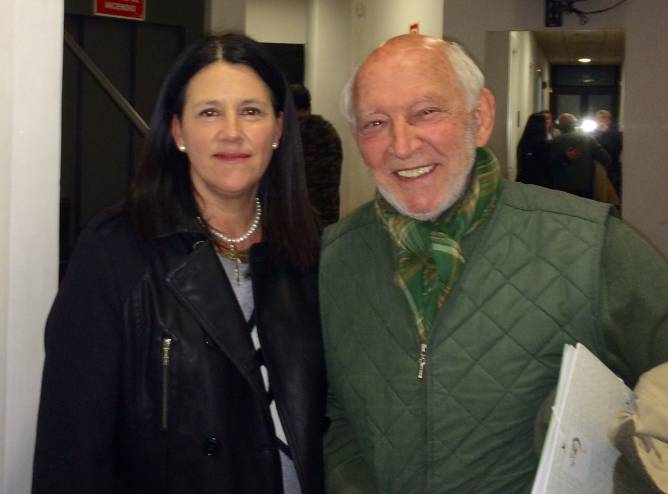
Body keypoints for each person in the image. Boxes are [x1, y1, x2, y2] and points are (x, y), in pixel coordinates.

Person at [319, 33, 668, 494]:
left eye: (426, 113)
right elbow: (340, 416)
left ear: (480, 117)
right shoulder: (336, 255)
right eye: (376, 123)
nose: (401, 144)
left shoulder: (592, 244)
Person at [32, 33, 325, 494]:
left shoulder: (313, 250)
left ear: (278, 129)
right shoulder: (114, 251)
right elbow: (72, 446)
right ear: (178, 132)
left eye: (251, 111)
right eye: (209, 113)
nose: (232, 132)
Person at [290, 83, 343, 229]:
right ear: (309, 105)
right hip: (328, 214)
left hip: (297, 217)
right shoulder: (328, 131)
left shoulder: (292, 136)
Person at [549, 112, 611, 199]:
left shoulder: (554, 142)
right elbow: (605, 158)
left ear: (559, 126)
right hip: (585, 186)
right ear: (575, 124)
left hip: (562, 187)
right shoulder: (588, 138)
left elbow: (550, 164)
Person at [516, 112, 552, 187]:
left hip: (523, 181)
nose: (548, 125)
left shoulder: (524, 141)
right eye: (545, 123)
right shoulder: (543, 144)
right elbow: (548, 165)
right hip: (539, 184)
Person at [594, 109, 623, 198]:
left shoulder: (617, 134)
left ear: (609, 121)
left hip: (612, 168)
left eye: (604, 118)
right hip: (597, 168)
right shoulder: (593, 134)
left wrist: (605, 133)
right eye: (599, 119)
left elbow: (614, 149)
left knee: (613, 194)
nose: (601, 121)